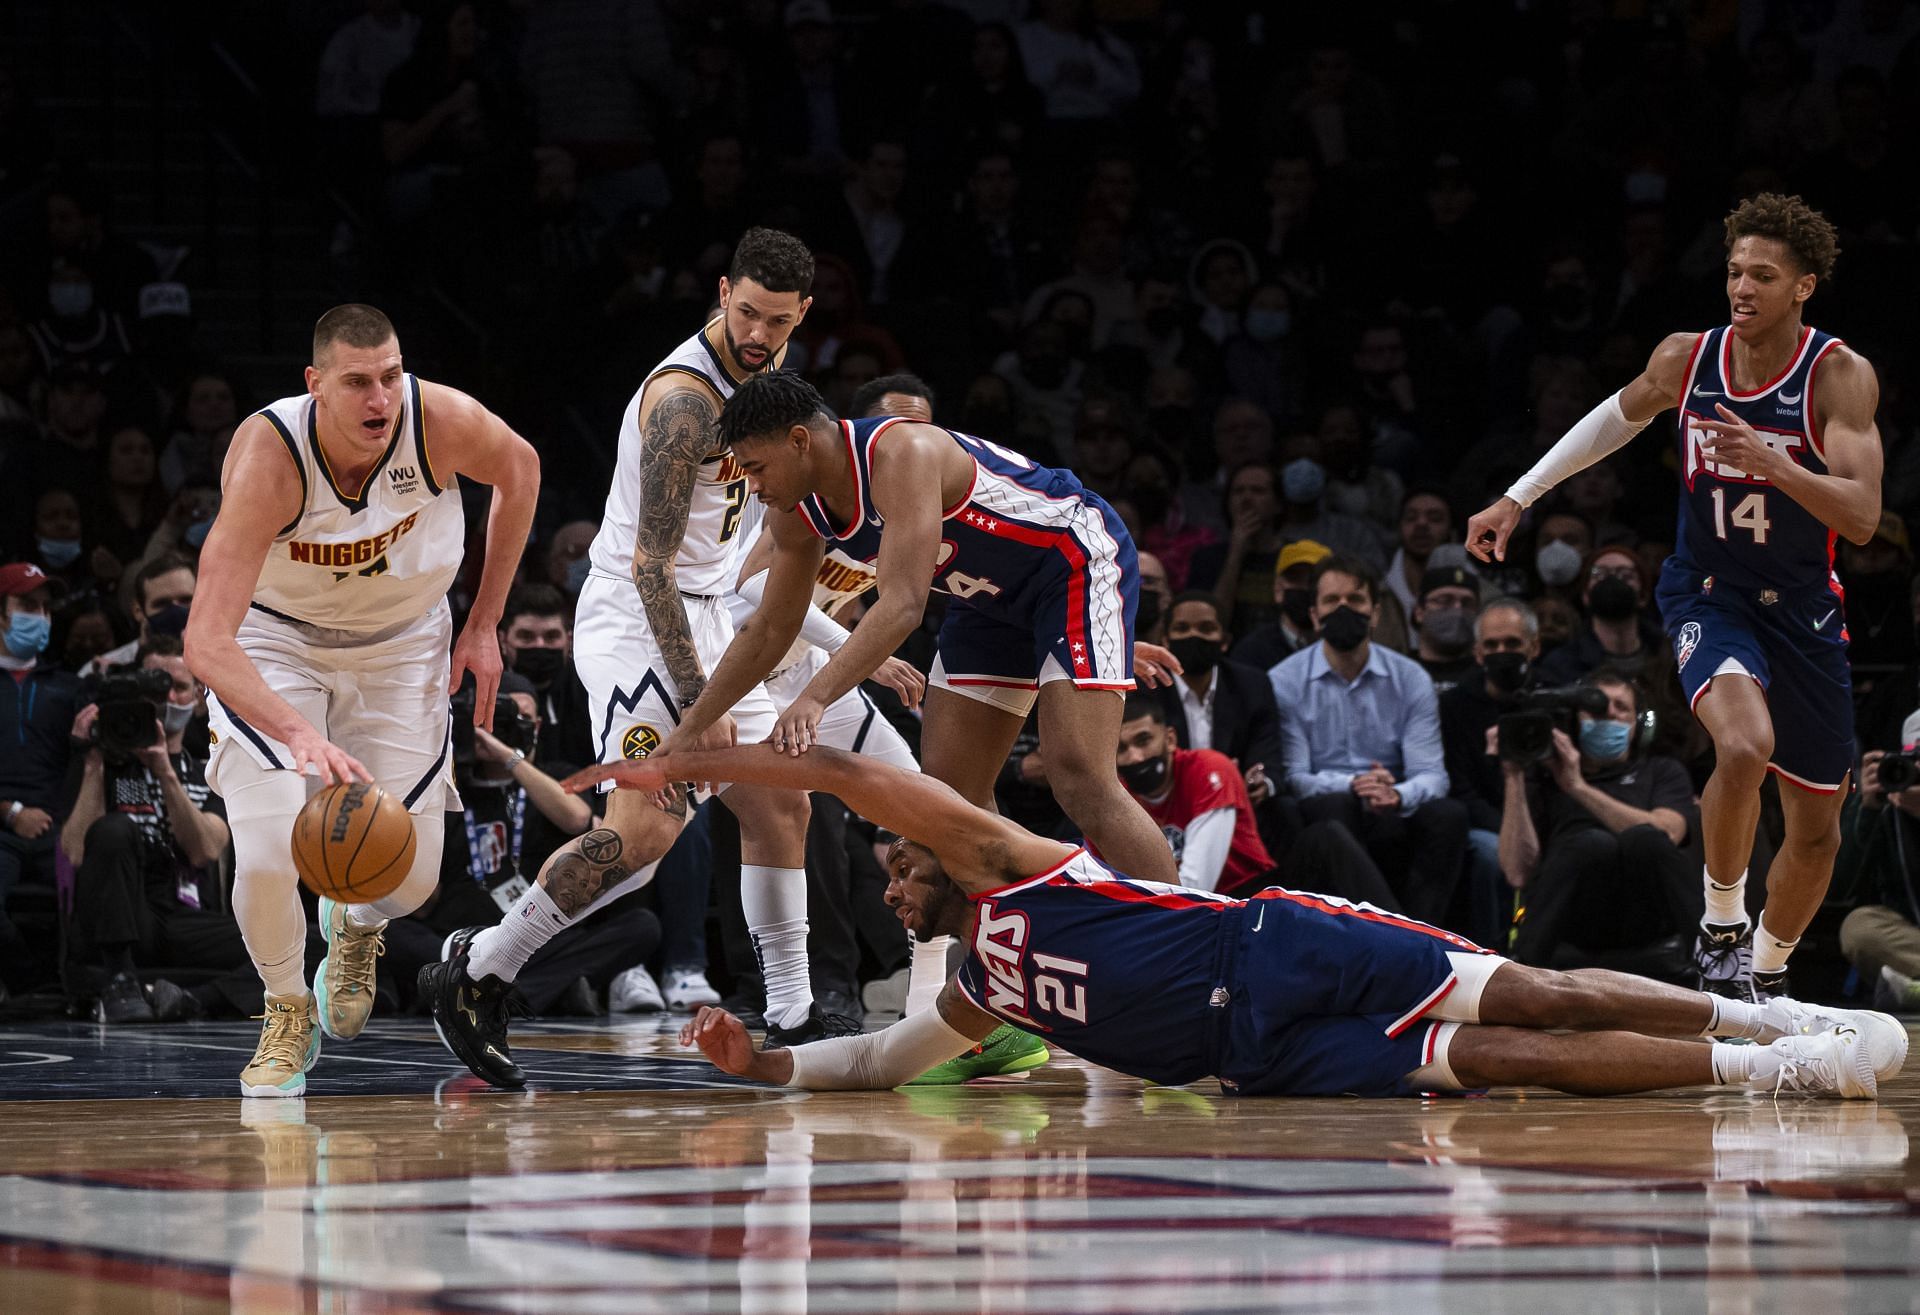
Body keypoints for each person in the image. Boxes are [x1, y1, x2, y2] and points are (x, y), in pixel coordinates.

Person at [571, 744, 1907, 1101]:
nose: (890, 875)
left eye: (897, 862)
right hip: (1260, 1058)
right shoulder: (985, 980)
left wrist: (695, 755)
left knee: (1538, 996)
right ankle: (1764, 1071)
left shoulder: (1020, 864)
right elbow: (888, 1057)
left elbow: (858, 776)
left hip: (1279, 941)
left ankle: (1770, 1009)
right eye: (887, 870)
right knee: (1499, 1068)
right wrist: (775, 1066)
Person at [418, 229, 843, 1094]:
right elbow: (653, 566)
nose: (759, 333)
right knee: (645, 834)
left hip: (711, 612)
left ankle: (794, 1012)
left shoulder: (771, 382)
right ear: (723, 292)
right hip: (640, 619)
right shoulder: (685, 402)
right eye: (747, 312)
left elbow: (748, 531)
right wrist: (702, 701)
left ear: (804, 317)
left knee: (782, 804)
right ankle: (480, 971)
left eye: (779, 321)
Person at [1468, 193, 1884, 1003]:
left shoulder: (1837, 374)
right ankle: (1722, 923)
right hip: (1709, 591)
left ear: (1804, 285)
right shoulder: (1688, 359)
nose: (1742, 288)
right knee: (1740, 746)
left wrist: (1778, 465)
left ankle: (1765, 974)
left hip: (1802, 608)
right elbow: (1610, 421)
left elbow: (1863, 516)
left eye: (1764, 275)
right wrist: (1518, 496)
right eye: (1734, 271)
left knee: (1816, 831)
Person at [183, 303, 539, 1098]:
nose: (380, 398)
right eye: (356, 382)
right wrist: (294, 732)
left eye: (389, 376)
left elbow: (522, 470)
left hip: (404, 641)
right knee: (270, 842)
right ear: (316, 385)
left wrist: (483, 623)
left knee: (409, 883)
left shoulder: (438, 420)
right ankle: (283, 1008)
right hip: (276, 642)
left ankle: (356, 924)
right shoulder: (270, 458)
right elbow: (206, 642)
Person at [673, 367, 1183, 898]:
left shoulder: (903, 453)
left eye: (755, 468)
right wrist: (689, 732)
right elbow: (771, 627)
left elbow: (902, 607)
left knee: (1077, 772)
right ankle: (1006, 956)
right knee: (951, 805)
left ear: (799, 440)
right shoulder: (797, 510)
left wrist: (814, 698)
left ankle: (1191, 945)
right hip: (986, 602)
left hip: (1072, 565)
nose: (752, 486)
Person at [388, 672, 655, 1017]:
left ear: (539, 725)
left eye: (521, 719)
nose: (508, 727)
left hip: (538, 939)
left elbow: (577, 820)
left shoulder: (558, 775)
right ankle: (530, 990)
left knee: (642, 927)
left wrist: (510, 758)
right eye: (496, 718)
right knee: (382, 926)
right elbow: (423, 899)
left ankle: (480, 994)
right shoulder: (450, 790)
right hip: (460, 941)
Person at [61, 635, 251, 1023]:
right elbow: (76, 851)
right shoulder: (98, 763)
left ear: (198, 697)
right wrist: (95, 760)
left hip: (180, 912)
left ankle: (190, 999)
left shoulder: (209, 772)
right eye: (149, 689)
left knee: (300, 942)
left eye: (177, 688)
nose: (162, 701)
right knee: (114, 830)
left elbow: (205, 851)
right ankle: (119, 976)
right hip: (117, 909)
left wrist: (164, 770)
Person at [1272, 555, 1469, 928]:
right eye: (1332, 601)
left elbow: (1432, 775)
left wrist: (1399, 794)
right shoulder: (1284, 681)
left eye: (1356, 600)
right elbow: (1295, 776)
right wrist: (1354, 784)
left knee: (1449, 815)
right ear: (1314, 615)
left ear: (1375, 613)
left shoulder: (1410, 678)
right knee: (1335, 806)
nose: (1344, 609)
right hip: (1331, 807)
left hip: (1391, 806)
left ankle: (1426, 934)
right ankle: (1387, 936)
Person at [1496, 668, 1699, 970]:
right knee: (1590, 844)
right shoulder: (1544, 780)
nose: (1609, 715)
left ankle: (1720, 965)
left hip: (1647, 917)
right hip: (1574, 923)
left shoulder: (1662, 772)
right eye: (1597, 709)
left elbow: (1668, 832)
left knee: (1645, 838)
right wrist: (1514, 776)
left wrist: (1578, 788)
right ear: (1576, 721)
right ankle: (1521, 968)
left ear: (1640, 724)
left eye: (1621, 707)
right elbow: (1517, 873)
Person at [0, 562, 82, 994]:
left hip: (59, 829)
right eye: (27, 605)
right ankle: (28, 985)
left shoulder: (69, 687)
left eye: (46, 608)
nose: (40, 617)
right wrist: (11, 812)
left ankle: (86, 988)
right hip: (3, 829)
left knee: (95, 891)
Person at [1154, 592, 1282, 806]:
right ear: (1165, 641)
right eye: (1182, 628)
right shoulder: (1146, 688)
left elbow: (1266, 752)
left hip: (1235, 800)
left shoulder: (1252, 685)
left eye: (1206, 629)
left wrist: (1259, 781)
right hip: (1167, 802)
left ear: (1224, 641)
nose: (1193, 635)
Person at [1837, 713, 1920, 1014]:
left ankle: (1913, 991)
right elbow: (1837, 891)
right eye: (1914, 758)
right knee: (1859, 927)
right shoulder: (1885, 802)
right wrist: (1867, 810)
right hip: (1911, 938)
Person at [1410, 565, 1481, 694]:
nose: (1457, 610)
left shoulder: (1486, 675)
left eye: (1467, 603)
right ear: (1419, 612)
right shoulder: (1399, 672)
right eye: (1444, 601)